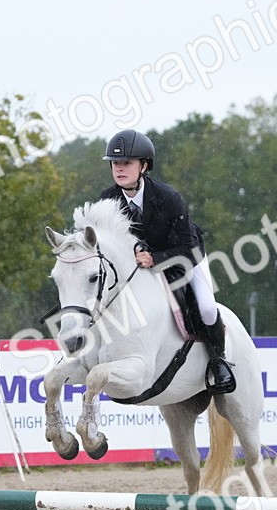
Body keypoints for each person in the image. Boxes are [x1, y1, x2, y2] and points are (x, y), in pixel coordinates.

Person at [97, 129, 235, 394]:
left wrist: (156, 258)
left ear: (144, 166)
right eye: (115, 163)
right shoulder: (108, 199)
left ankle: (218, 362)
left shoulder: (168, 197)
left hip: (183, 257)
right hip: (138, 266)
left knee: (207, 308)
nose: (119, 168)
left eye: (126, 162)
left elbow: (189, 247)